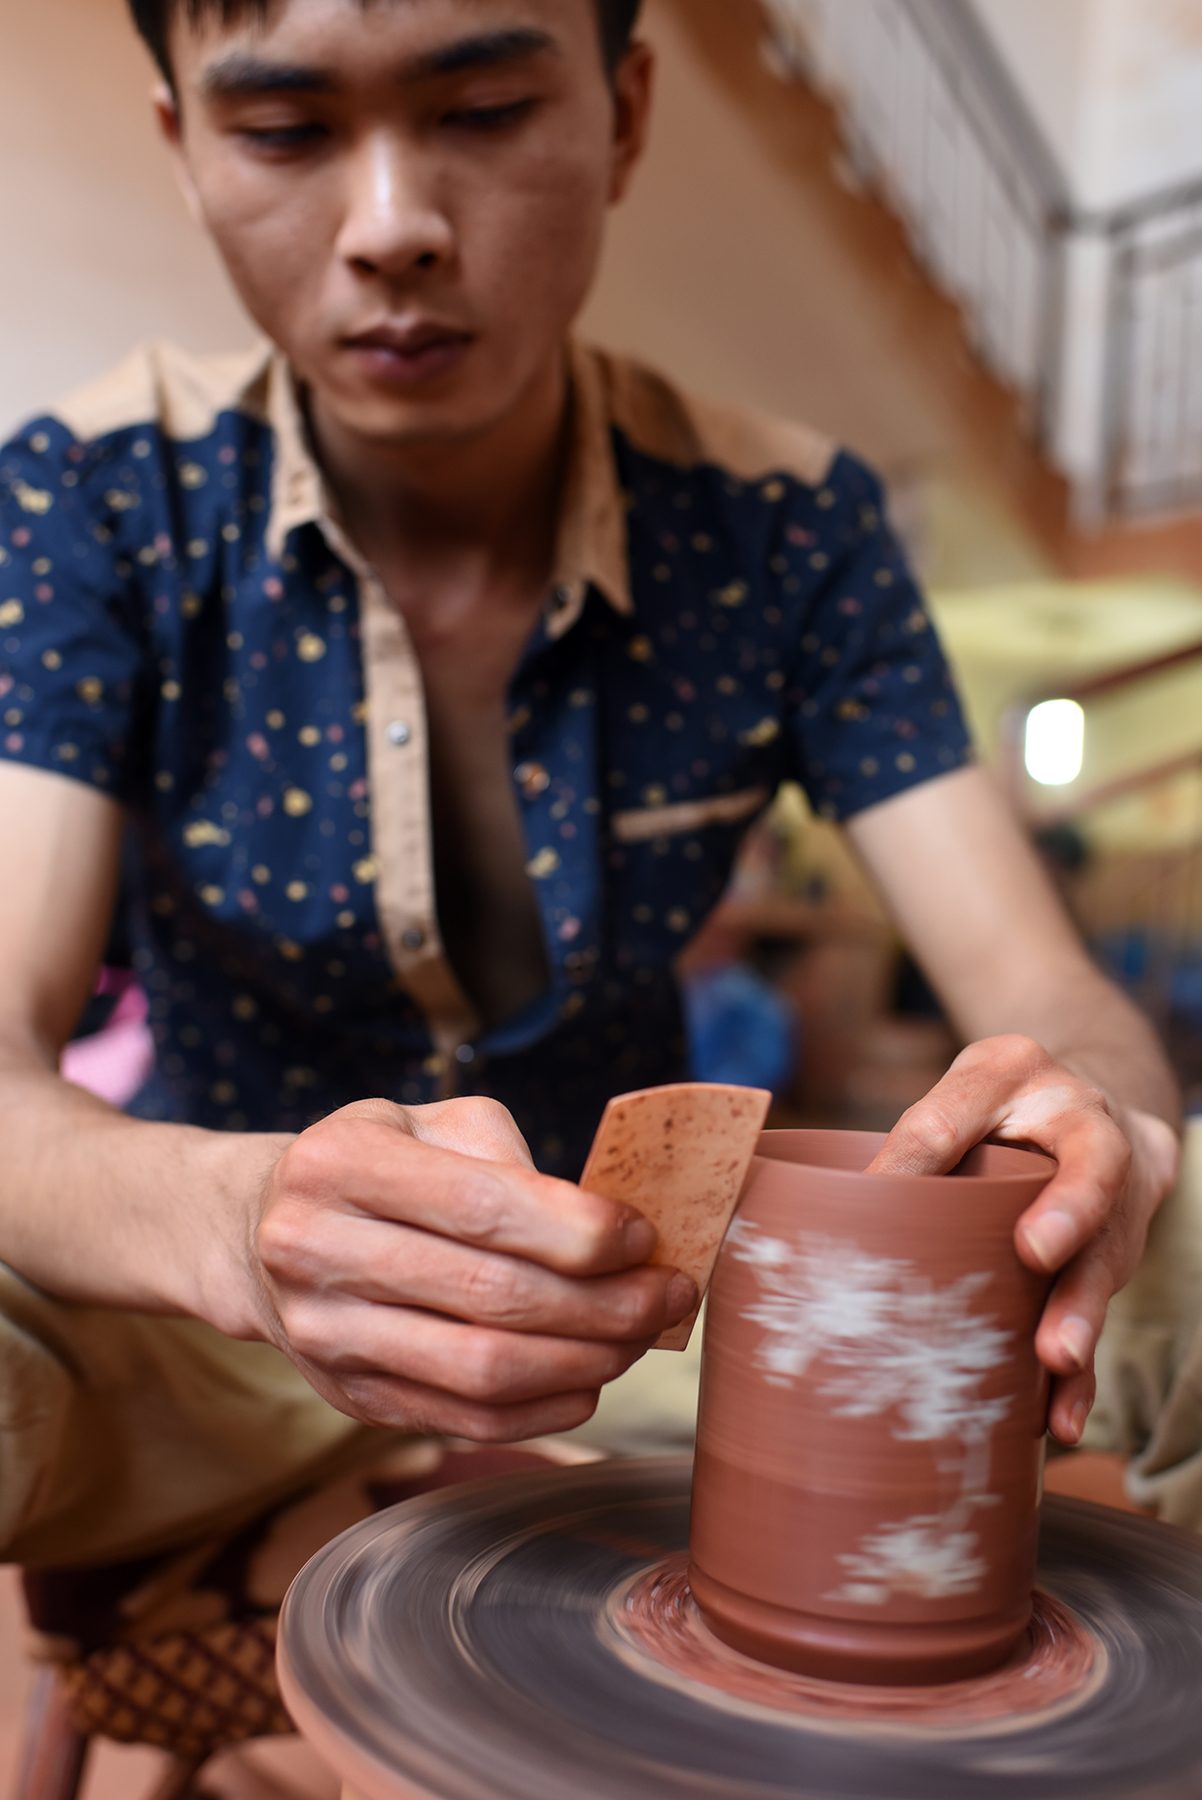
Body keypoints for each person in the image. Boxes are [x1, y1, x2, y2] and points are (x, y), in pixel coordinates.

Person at [0, 0, 1180, 1570]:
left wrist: (1096, 1117)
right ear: (183, 145)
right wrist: (238, 1224)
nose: (393, 227)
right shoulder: (92, 495)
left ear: (625, 113)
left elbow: (1042, 986)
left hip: (647, 1319)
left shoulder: (790, 525)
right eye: (283, 130)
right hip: (212, 1340)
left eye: (483, 111)